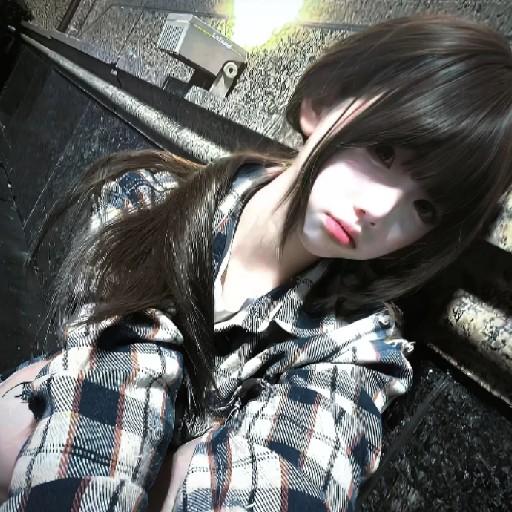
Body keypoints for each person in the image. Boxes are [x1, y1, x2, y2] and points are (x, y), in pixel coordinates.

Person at [1, 13, 511, 512]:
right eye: (384, 151)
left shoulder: (359, 349)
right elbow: (111, 387)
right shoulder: (148, 202)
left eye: (425, 208)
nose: (380, 210)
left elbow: (297, 473)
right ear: (322, 103)